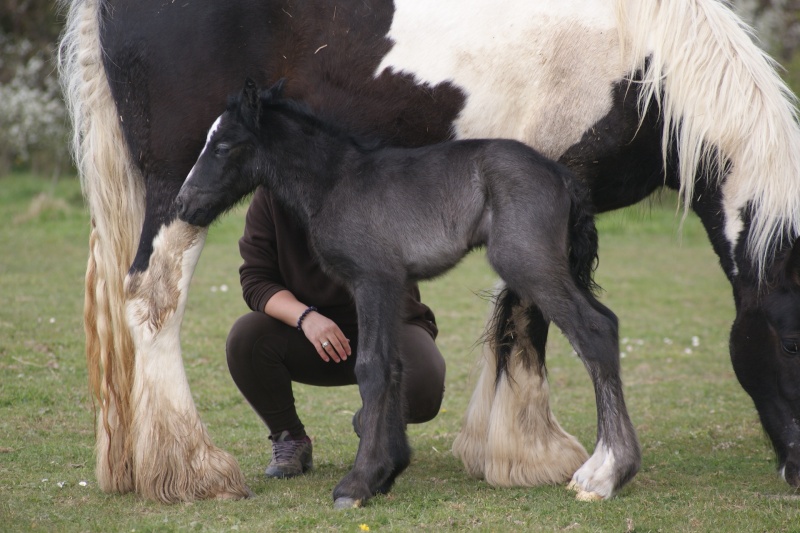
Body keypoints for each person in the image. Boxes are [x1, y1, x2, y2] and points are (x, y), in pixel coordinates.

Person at [225, 187, 447, 478]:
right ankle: (289, 437)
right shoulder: (270, 197)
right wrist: (306, 317)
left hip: (387, 323)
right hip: (312, 338)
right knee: (247, 338)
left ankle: (376, 422)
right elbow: (256, 279)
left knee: (425, 383)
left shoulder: (371, 181)